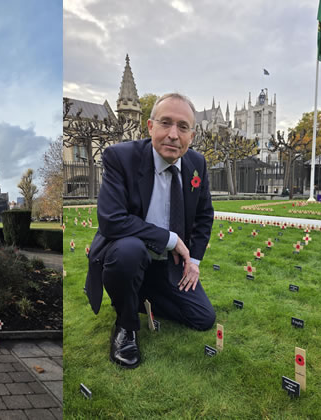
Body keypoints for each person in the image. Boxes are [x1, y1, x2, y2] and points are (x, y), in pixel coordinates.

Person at [85, 93, 215, 369]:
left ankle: (139, 292)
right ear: (149, 126)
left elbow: (204, 215)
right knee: (130, 251)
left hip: (168, 264)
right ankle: (126, 325)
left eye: (182, 127)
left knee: (203, 319)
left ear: (192, 135)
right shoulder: (120, 157)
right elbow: (112, 220)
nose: (172, 134)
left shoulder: (197, 164)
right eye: (165, 123)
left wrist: (193, 262)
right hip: (128, 254)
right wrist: (170, 239)